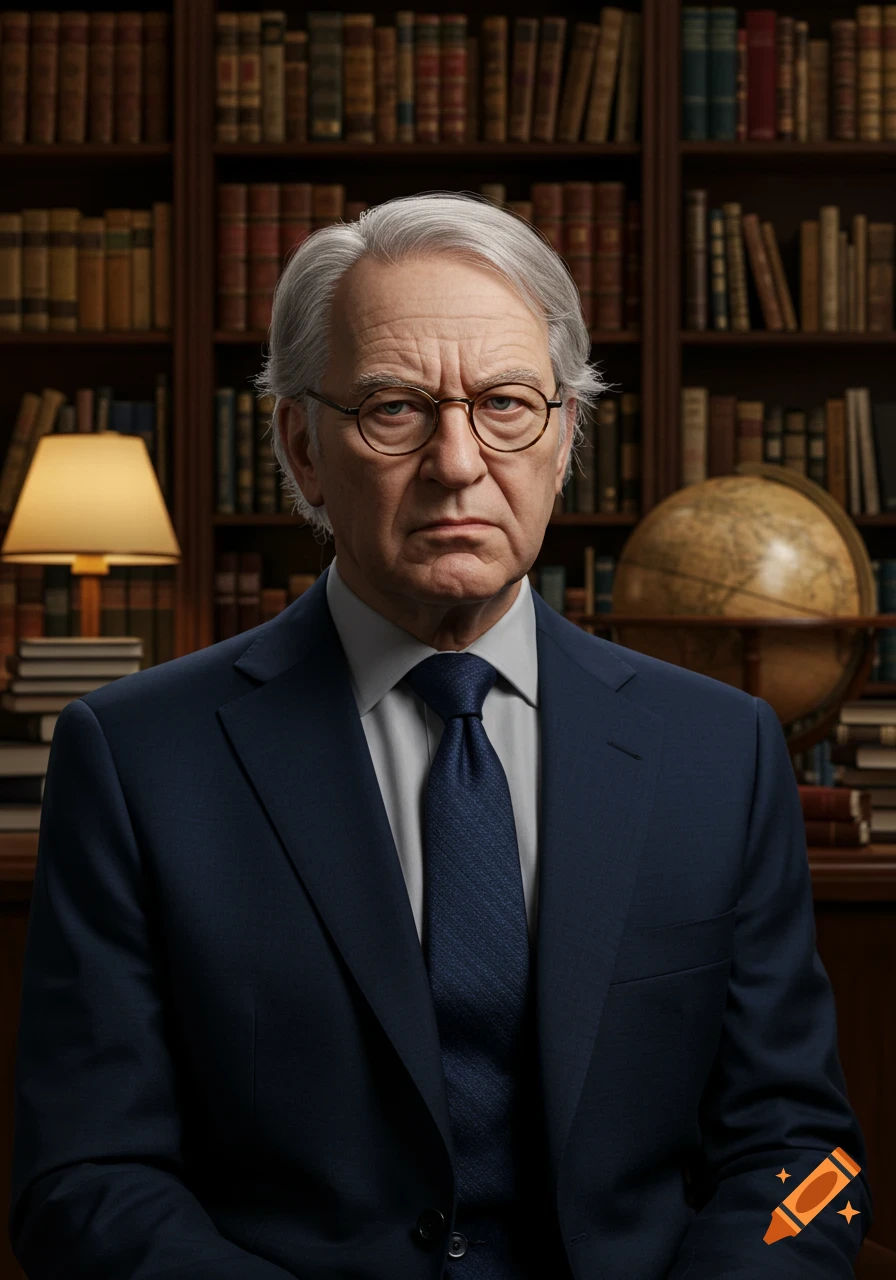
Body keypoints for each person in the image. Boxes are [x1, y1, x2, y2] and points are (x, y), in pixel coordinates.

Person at [9, 192, 872, 1280]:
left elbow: (799, 1156)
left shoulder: (720, 751)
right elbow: (84, 1181)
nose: (457, 461)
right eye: (394, 408)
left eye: (506, 404)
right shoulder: (137, 760)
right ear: (303, 449)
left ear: (564, 438)